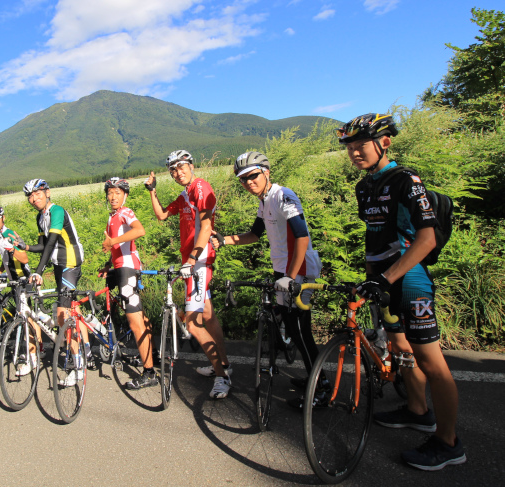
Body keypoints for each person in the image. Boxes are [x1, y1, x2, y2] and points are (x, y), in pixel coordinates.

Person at [338, 113, 465, 470]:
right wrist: (369, 279)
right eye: (350, 147)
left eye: (360, 145)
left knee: (431, 361)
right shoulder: (365, 186)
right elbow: (375, 236)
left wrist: (388, 277)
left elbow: (425, 240)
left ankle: (449, 442)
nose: (354, 153)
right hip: (382, 280)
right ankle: (417, 410)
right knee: (398, 345)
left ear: (385, 142)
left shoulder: (406, 180)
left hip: (409, 281)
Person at [210, 152, 325, 407]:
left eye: (253, 176)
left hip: (299, 269)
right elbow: (255, 234)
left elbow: (302, 237)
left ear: (266, 173)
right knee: (293, 327)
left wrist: (291, 277)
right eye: (243, 179)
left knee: (299, 330)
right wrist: (224, 240)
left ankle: (322, 386)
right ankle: (313, 376)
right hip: (282, 270)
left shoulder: (283, 196)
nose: (249, 182)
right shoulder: (264, 201)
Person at [145, 150, 232, 399]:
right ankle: (224, 364)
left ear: (191, 166)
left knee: (193, 323)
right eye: (173, 170)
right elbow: (161, 215)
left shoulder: (200, 188)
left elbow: (206, 227)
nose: (178, 172)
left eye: (181, 167)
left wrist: (193, 258)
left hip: (199, 261)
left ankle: (221, 378)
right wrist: (152, 190)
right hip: (191, 261)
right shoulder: (185, 194)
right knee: (207, 313)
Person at [22, 179, 87, 386]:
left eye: (37, 193)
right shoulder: (40, 216)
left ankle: (78, 367)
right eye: (30, 196)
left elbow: (51, 242)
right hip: (58, 264)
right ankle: (84, 344)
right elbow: (42, 245)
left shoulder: (57, 211)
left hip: (70, 263)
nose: (34, 199)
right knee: (65, 313)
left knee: (63, 315)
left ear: (47, 192)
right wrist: (25, 246)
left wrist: (39, 271)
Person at [97, 177, 157, 390]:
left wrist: (113, 241)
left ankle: (149, 373)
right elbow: (115, 248)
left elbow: (139, 230)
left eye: (117, 193)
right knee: (139, 316)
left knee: (134, 320)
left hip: (128, 269)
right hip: (120, 267)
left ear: (125, 195)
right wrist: (107, 265)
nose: (113, 197)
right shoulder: (112, 217)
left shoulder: (125, 212)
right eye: (110, 193)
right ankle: (153, 356)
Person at [0, 203, 39, 376]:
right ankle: (35, 346)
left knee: (27, 319)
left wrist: (13, 248)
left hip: (22, 281)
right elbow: (6, 257)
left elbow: (24, 257)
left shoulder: (9, 234)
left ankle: (33, 358)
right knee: (27, 317)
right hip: (14, 281)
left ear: (3, 218)